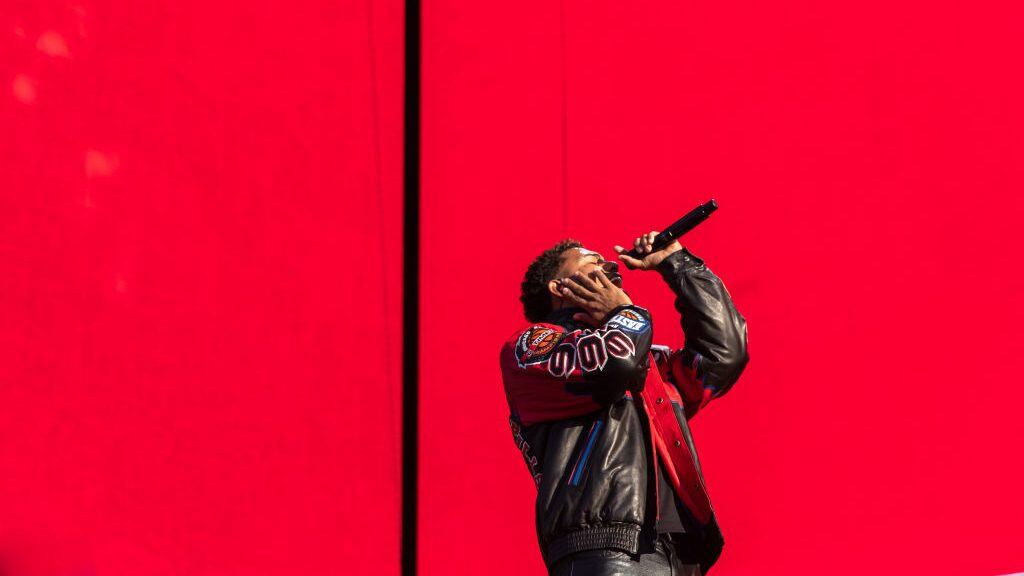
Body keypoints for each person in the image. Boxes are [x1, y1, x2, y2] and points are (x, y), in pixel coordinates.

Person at [499, 232, 748, 575]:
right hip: (606, 548)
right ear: (560, 288)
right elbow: (617, 364)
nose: (608, 266)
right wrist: (626, 313)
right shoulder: (535, 345)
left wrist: (677, 264)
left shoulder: (648, 360)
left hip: (680, 552)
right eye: (591, 262)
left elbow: (724, 355)